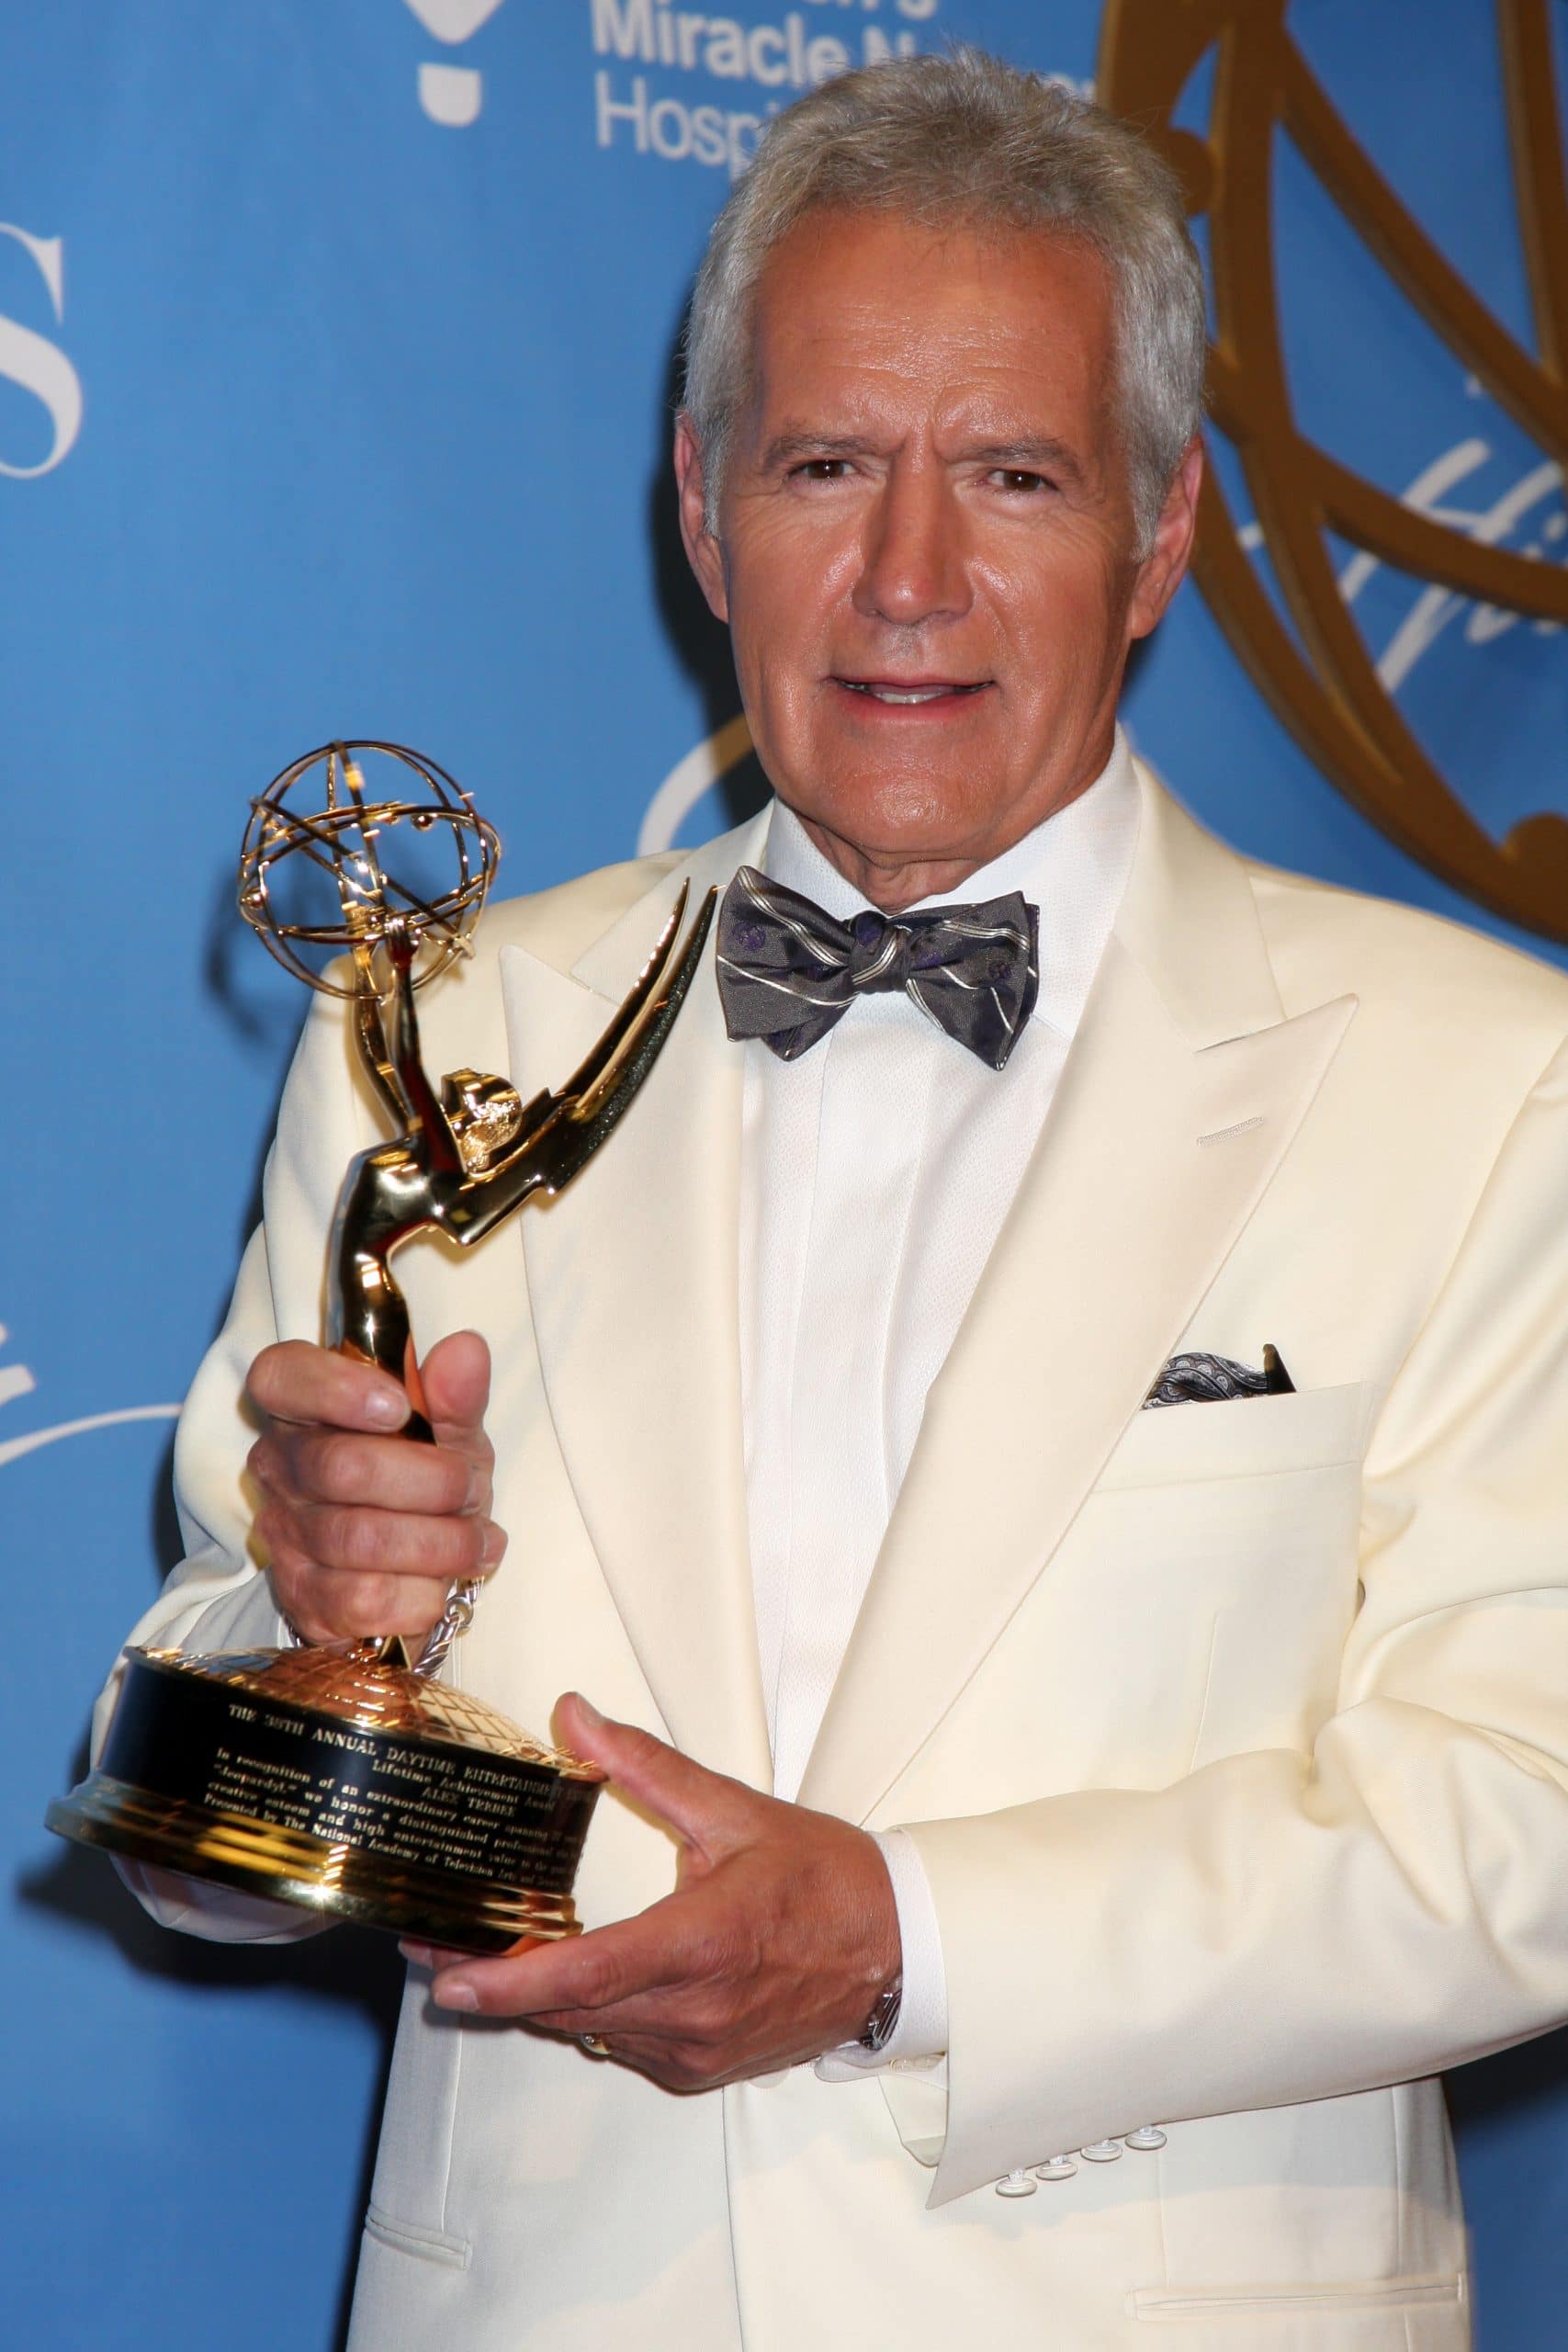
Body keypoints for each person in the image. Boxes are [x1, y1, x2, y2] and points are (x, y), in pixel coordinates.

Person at [100, 50, 1568, 2351]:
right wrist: (303, 1627)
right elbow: (217, 1777)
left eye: (1010, 472)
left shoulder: (1481, 1081)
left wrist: (907, 1937)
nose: (905, 576)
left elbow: (1525, 1817)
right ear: (701, 510)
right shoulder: (447, 1015)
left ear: (1162, 528)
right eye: (820, 465)